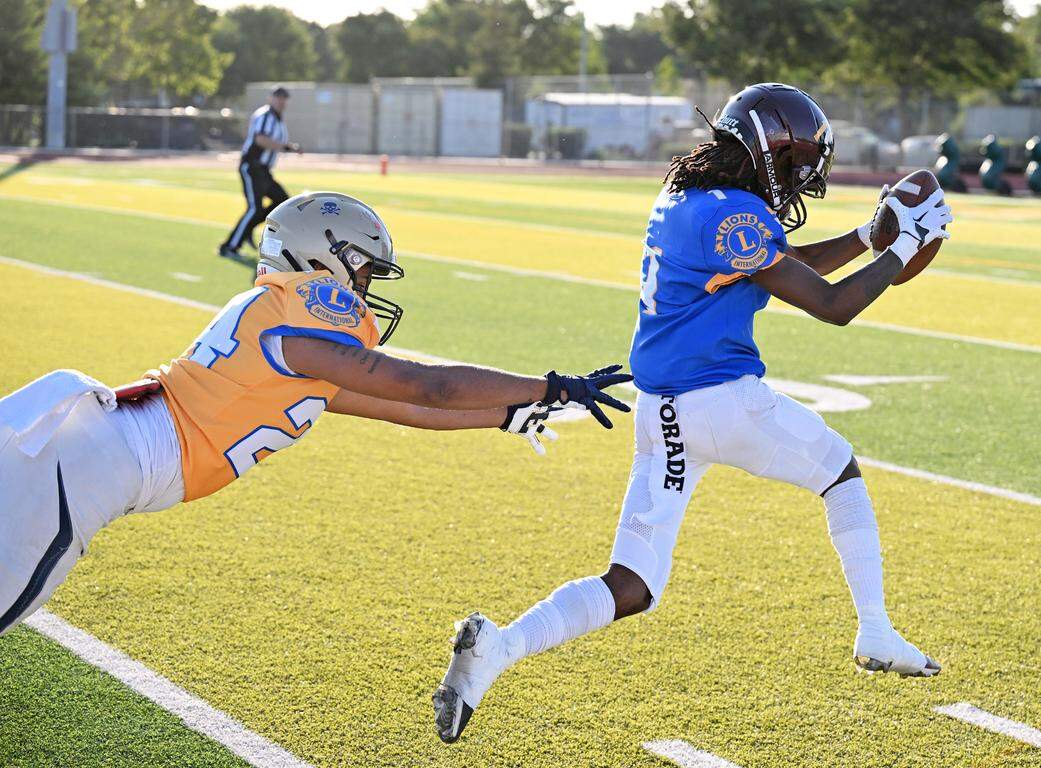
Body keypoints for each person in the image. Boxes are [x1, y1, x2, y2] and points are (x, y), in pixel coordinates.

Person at [433, 83, 954, 743]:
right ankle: (876, 630)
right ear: (768, 151)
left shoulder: (688, 197)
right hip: (721, 402)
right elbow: (832, 304)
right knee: (839, 470)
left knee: (634, 582)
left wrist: (861, 236)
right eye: (797, 164)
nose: (801, 179)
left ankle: (497, 650)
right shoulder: (734, 215)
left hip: (663, 415)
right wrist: (903, 251)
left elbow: (774, 264)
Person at [0, 191, 632, 637]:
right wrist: (548, 385)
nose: (366, 286)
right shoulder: (297, 319)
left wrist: (504, 415)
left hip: (93, 455)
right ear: (320, 255)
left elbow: (408, 408)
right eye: (362, 267)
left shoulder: (298, 346)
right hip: (88, 466)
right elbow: (424, 384)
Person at [219, 86, 302, 260]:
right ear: (271, 98)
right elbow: (260, 139)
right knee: (255, 208)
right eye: (278, 97)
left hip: (264, 171)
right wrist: (286, 146)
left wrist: (288, 146)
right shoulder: (265, 116)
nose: (281, 100)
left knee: (282, 203)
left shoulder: (279, 119)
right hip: (252, 166)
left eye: (284, 97)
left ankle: (248, 229)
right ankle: (229, 247)